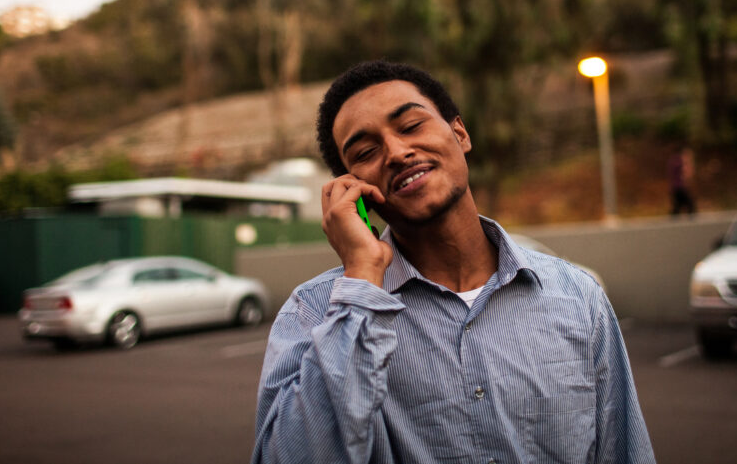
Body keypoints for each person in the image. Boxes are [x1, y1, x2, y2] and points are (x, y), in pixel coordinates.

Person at [252, 60, 655, 464]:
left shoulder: (578, 296)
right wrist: (361, 277)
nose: (396, 152)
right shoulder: (313, 313)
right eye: (366, 152)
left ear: (459, 133)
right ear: (351, 189)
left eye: (411, 126)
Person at [668, 143, 697, 216]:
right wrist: (689, 162)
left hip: (675, 187)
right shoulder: (680, 161)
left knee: (678, 206)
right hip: (680, 187)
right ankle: (692, 221)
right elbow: (687, 172)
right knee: (690, 204)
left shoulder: (673, 160)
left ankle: (672, 221)